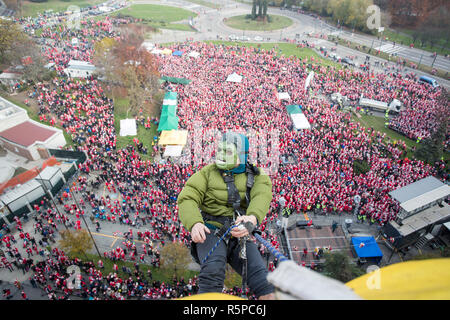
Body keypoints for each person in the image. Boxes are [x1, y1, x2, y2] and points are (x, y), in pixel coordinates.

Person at [177, 132, 275, 300]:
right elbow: (188, 197)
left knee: (264, 282)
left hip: (240, 232)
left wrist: (252, 217)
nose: (221, 154)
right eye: (220, 149)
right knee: (212, 272)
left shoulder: (258, 177)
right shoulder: (207, 173)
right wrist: (194, 223)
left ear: (242, 156)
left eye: (228, 152)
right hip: (211, 230)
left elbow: (262, 197)